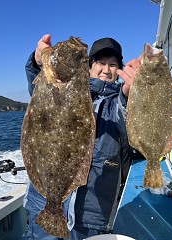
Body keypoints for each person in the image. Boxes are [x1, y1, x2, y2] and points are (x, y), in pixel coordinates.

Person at [22, 34, 142, 240]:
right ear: (89, 67)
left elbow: (125, 116)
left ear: (120, 70)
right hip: (43, 204)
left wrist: (131, 96)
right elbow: (38, 84)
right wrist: (38, 60)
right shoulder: (55, 84)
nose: (106, 69)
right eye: (101, 63)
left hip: (90, 216)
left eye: (113, 64)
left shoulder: (116, 103)